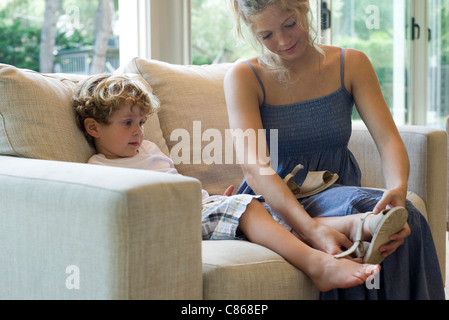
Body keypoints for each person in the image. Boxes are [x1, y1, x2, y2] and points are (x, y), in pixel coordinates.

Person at [72, 73, 415, 293]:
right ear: (93, 128)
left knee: (271, 216)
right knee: (251, 209)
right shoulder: (100, 169)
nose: (137, 131)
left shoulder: (146, 149)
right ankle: (319, 265)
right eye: (127, 122)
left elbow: (176, 184)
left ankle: (361, 224)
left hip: (197, 207)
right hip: (173, 222)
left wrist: (217, 198)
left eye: (142, 122)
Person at [224, 0, 445, 299]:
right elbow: (255, 168)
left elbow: (388, 139)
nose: (284, 41)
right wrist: (311, 230)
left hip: (337, 190)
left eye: (290, 24)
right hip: (277, 201)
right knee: (364, 214)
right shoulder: (245, 77)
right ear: (252, 33)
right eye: (267, 35)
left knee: (409, 217)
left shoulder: (351, 64)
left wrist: (398, 190)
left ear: (304, 7)